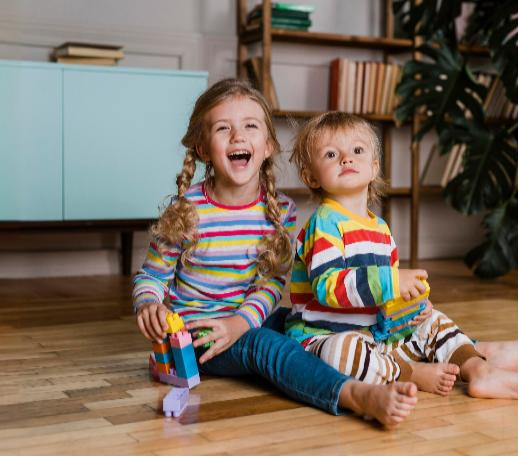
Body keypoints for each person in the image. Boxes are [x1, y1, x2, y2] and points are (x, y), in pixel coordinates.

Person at [132, 79, 416, 427]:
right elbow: (152, 276)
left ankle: (405, 359)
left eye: (250, 126)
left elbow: (270, 284)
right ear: (203, 149)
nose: (238, 137)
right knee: (265, 346)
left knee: (304, 323)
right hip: (200, 336)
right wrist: (148, 304)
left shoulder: (280, 211)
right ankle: (353, 394)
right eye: (223, 128)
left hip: (246, 319)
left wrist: (241, 322)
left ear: (267, 145)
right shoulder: (185, 211)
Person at [285, 112, 518, 399]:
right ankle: (411, 373)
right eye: (331, 154)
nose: (347, 159)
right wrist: (393, 282)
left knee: (432, 321)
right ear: (311, 177)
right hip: (325, 337)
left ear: (373, 168)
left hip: (375, 337)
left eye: (357, 150)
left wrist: (411, 307)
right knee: (341, 353)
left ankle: (479, 370)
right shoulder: (324, 223)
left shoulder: (380, 228)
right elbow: (328, 287)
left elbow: (386, 298)